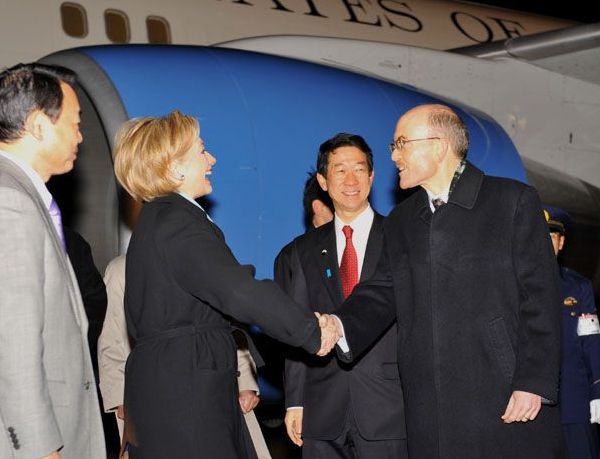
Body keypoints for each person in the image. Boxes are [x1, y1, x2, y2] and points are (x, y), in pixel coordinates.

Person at [324, 104, 563, 458]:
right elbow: (383, 290)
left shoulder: (511, 201)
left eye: (401, 143)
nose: (394, 156)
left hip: (504, 394)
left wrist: (532, 382)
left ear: (438, 146)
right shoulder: (403, 220)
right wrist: (338, 325)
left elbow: (541, 298)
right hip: (430, 406)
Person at [112, 110, 336, 458]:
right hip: (188, 388)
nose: (212, 159)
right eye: (201, 151)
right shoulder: (176, 221)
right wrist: (310, 330)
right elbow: (236, 290)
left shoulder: (158, 221)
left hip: (175, 382)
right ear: (174, 169)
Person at [274, 133, 408, 458]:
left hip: (388, 407)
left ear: (372, 176)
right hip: (322, 408)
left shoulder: (401, 238)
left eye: (359, 169)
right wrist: (295, 400)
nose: (351, 180)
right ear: (323, 180)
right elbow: (298, 326)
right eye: (339, 170)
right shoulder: (303, 250)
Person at [0, 63, 105, 458]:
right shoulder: (8, 199)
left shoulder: (20, 194)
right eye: (75, 123)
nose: (81, 135)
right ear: (39, 125)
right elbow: (12, 339)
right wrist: (39, 446)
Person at [97, 254, 272, 458]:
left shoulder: (203, 257)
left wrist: (245, 384)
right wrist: (120, 396)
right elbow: (111, 336)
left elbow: (229, 325)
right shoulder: (122, 269)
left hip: (212, 385)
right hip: (149, 392)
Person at [545, 207, 600, 459]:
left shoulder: (578, 287)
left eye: (552, 236)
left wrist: (597, 389)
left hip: (574, 402)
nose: (545, 244)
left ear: (562, 242)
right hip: (529, 408)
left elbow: (591, 342)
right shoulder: (511, 287)